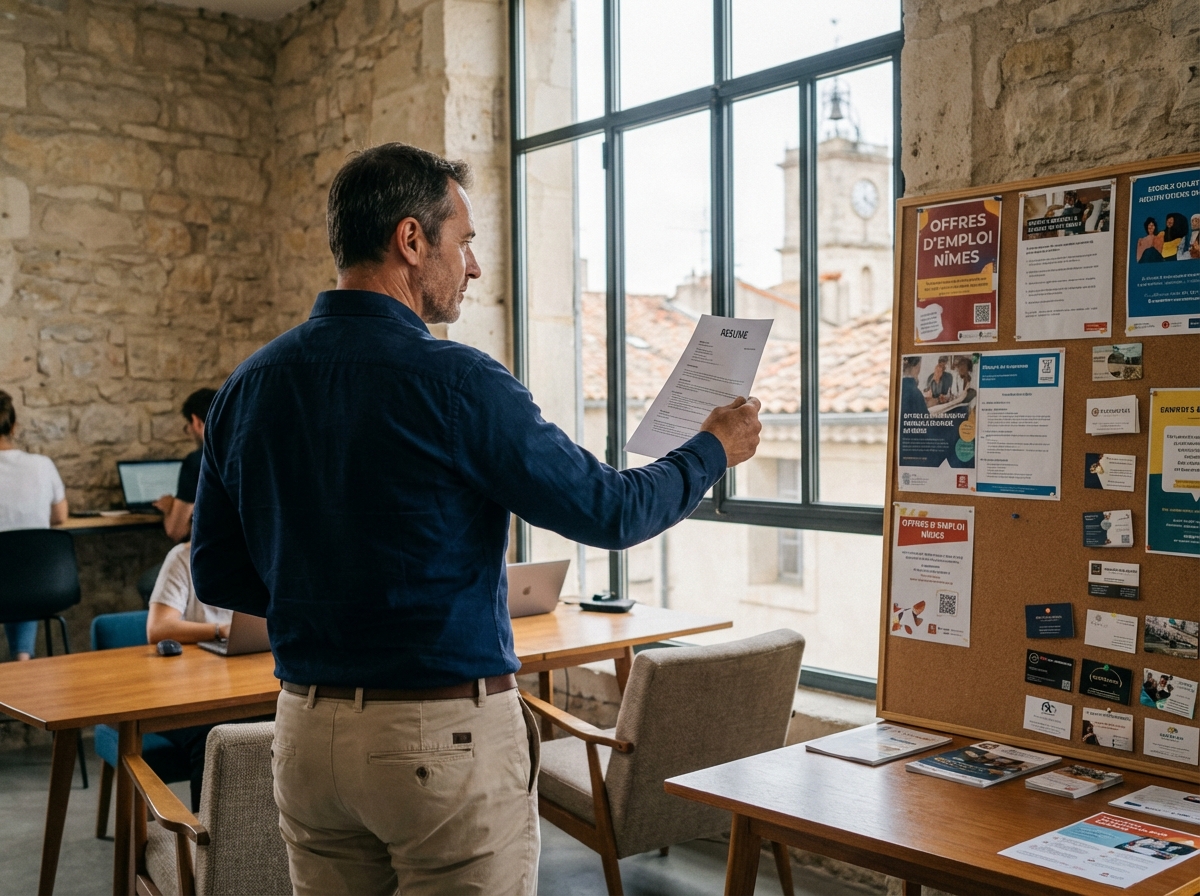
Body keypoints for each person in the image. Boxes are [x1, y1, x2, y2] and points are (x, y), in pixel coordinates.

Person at [191, 143, 762, 896]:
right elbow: (611, 510)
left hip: (304, 735)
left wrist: (331, 592)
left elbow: (218, 572)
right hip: (436, 739)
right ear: (410, 239)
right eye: (464, 242)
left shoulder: (248, 385)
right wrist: (711, 450)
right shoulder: (457, 381)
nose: (474, 266)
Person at [144, 541, 232, 811]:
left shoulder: (259, 552)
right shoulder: (183, 557)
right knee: (212, 736)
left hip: (231, 685)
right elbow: (158, 628)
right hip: (179, 692)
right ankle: (208, 843)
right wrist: (220, 630)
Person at [0, 390, 69, 661]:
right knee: (21, 566)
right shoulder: (42, 465)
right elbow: (60, 515)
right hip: (43, 584)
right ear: (14, 427)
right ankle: (23, 657)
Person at [152, 389, 216, 543]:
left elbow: (176, 531)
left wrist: (169, 508)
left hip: (214, 561)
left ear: (196, 421)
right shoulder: (250, 454)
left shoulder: (199, 461)